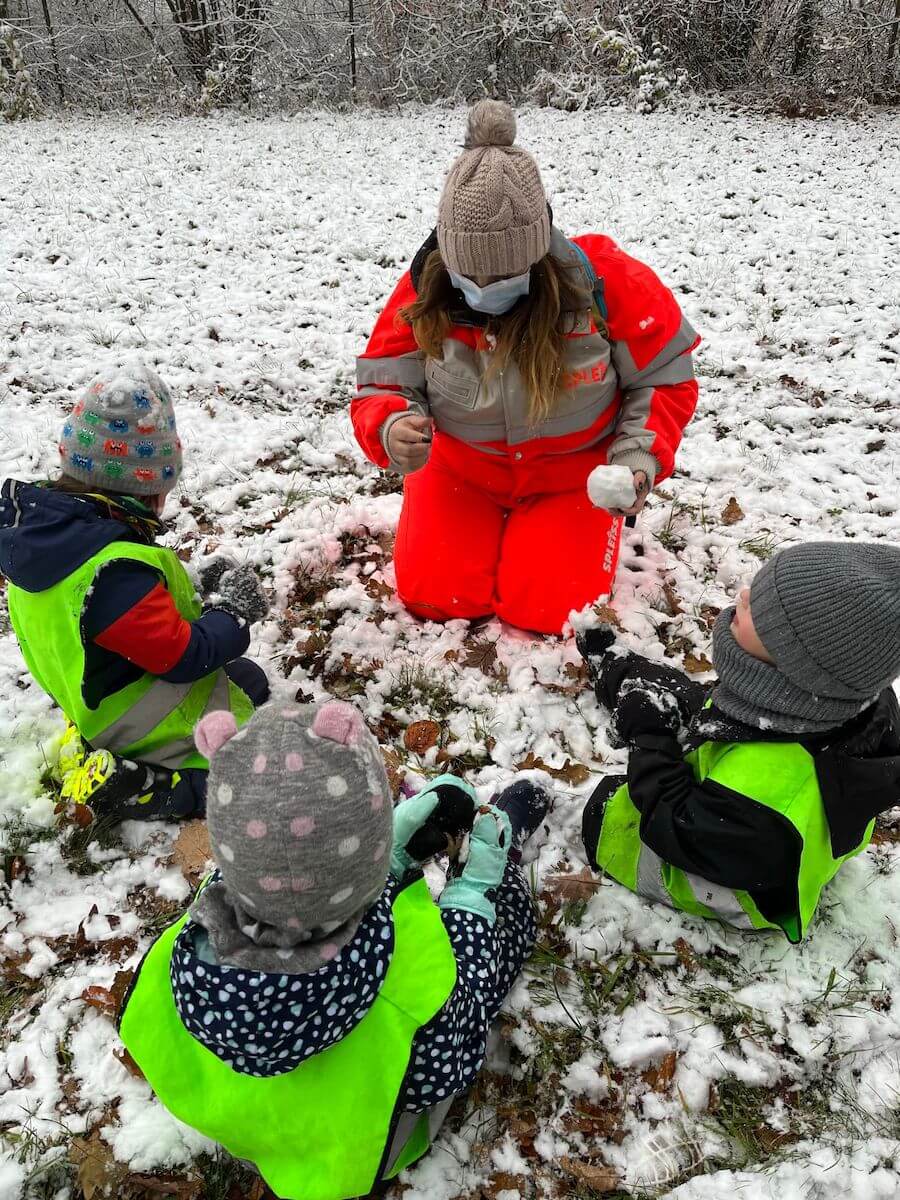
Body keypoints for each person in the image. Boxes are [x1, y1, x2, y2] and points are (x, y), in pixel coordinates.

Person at [118, 700, 550, 1199]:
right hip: (354, 1154)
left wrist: (376, 861)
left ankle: (394, 868)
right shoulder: (408, 987)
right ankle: (498, 864)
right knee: (488, 944)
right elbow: (449, 1058)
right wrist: (470, 896)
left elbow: (293, 880)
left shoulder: (201, 921)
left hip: (223, 1111)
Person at [352, 99, 699, 635]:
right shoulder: (424, 288)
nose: (485, 291)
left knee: (549, 612)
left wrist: (635, 458)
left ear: (538, 254)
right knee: (436, 597)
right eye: (471, 274)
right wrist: (392, 424)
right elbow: (383, 378)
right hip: (462, 467)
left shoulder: (605, 283)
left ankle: (550, 543)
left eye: (505, 275)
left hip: (570, 476)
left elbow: (663, 379)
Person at [578, 540, 900, 942]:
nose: (744, 596)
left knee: (601, 813)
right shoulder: (841, 698)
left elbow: (674, 826)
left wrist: (649, 738)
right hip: (745, 827)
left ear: (799, 668)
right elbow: (721, 708)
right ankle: (622, 673)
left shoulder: (768, 799)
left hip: (727, 874)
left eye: (763, 615)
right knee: (683, 702)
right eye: (756, 588)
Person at [0, 364, 270, 820]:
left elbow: (127, 621)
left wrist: (198, 588)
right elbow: (183, 657)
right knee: (250, 775)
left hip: (98, 692)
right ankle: (150, 787)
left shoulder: (54, 540)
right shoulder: (114, 573)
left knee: (249, 680)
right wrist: (233, 614)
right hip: (134, 719)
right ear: (146, 489)